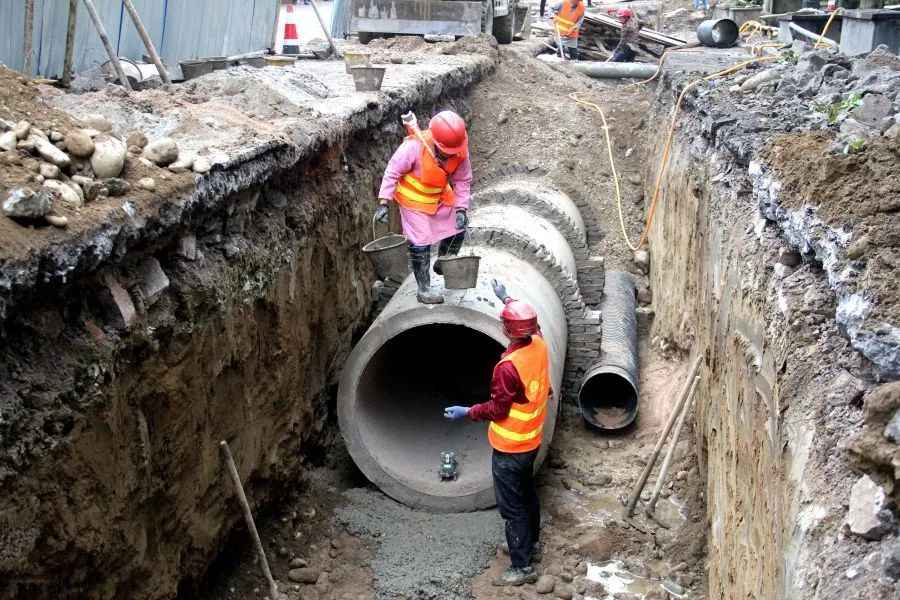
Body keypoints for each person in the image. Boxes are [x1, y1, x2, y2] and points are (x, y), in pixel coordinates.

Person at [444, 279, 551, 587]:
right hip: (531, 440)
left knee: (512, 505)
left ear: (507, 331)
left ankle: (522, 566)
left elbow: (497, 409)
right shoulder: (539, 343)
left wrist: (467, 412)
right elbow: (533, 325)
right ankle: (531, 544)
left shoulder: (508, 368)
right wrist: (508, 300)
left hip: (510, 447)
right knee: (528, 493)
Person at [376, 110, 473, 304]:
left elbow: (462, 180)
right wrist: (384, 202)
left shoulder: (460, 149)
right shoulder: (414, 147)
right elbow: (392, 171)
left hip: (438, 196)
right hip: (413, 201)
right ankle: (424, 289)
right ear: (436, 142)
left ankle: (445, 260)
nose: (450, 155)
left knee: (458, 227)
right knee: (420, 242)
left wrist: (461, 209)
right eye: (446, 152)